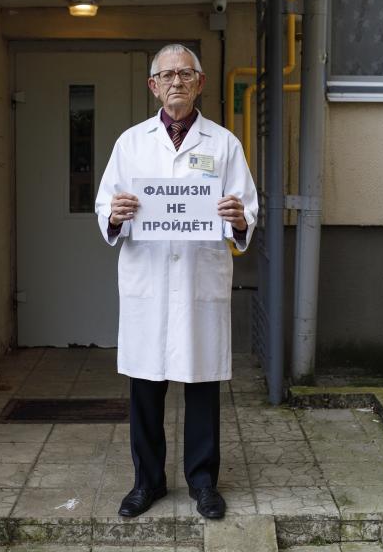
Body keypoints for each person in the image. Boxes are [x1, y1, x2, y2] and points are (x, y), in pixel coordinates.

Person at [95, 44, 258, 519]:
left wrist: (239, 218)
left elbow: (247, 206)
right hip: (147, 279)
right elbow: (106, 204)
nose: (176, 82)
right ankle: (147, 483)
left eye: (186, 74)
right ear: (152, 86)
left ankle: (203, 483)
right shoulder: (130, 143)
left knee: (202, 382)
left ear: (200, 82)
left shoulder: (224, 144)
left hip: (197, 279)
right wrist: (115, 214)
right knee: (145, 385)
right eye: (166, 75)